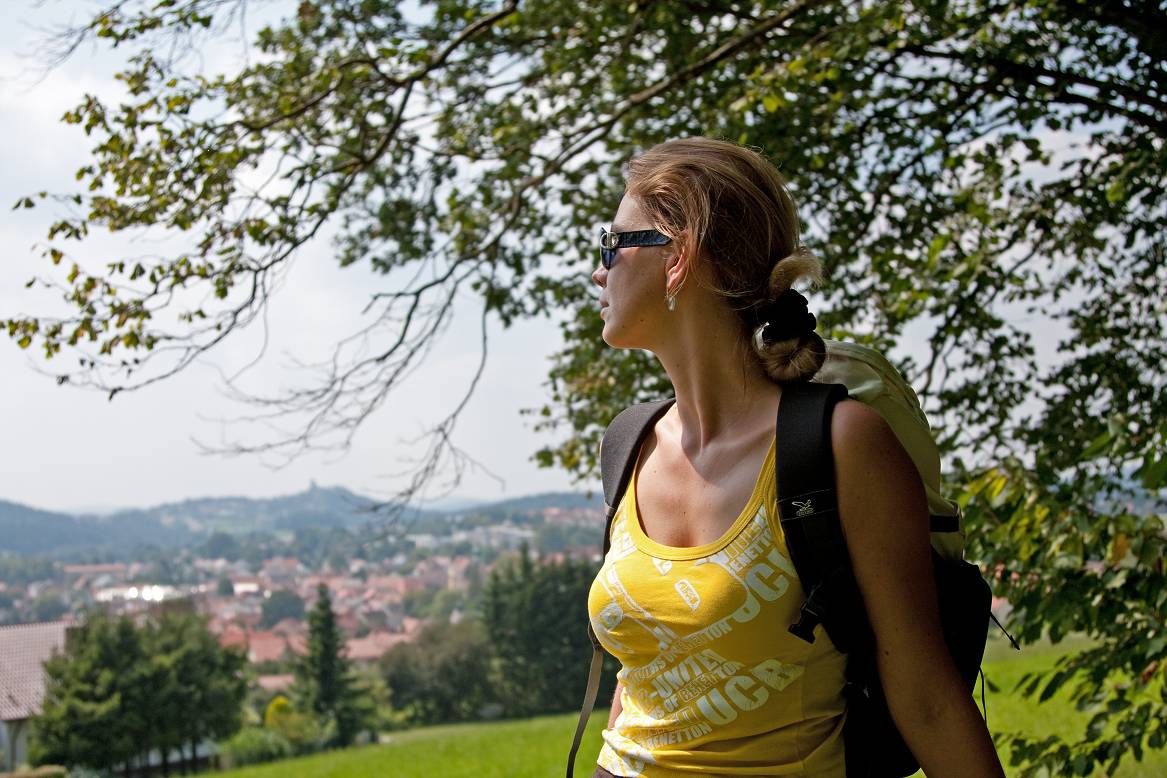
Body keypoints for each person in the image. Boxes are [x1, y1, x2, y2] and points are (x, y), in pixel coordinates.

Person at [586, 137, 1005, 777]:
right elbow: (644, 671)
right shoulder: (629, 444)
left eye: (615, 245)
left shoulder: (842, 445)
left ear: (681, 258)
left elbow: (927, 701)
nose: (598, 271)